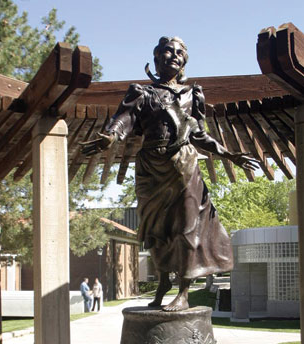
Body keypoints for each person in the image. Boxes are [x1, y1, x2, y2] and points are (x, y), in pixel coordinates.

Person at [81, 36, 259, 312]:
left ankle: (184, 292)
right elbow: (123, 120)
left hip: (184, 164)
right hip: (150, 167)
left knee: (187, 227)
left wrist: (229, 154)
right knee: (155, 229)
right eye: (167, 51)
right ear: (156, 57)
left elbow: (199, 135)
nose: (173, 56)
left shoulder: (192, 95)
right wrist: (110, 136)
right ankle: (163, 282)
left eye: (179, 53)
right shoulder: (141, 93)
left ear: (184, 61)